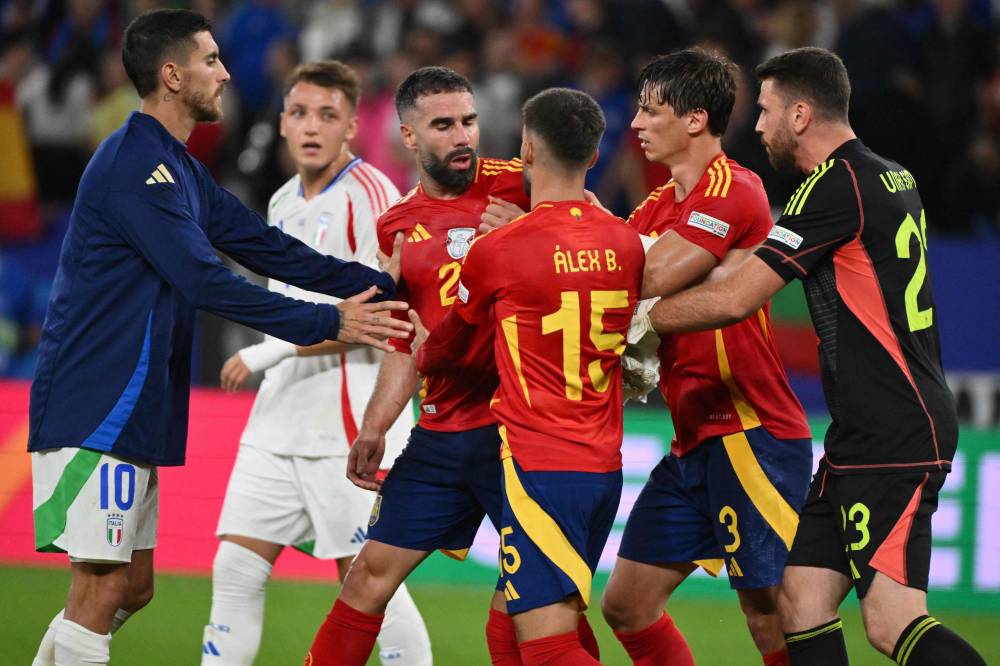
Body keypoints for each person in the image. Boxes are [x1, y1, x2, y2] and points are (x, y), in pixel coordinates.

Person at [28, 11, 410, 666]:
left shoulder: (175, 165)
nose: (226, 72)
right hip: (97, 404)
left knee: (134, 587)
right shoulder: (135, 168)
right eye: (210, 60)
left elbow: (265, 247)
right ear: (172, 76)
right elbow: (205, 280)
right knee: (98, 586)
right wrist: (330, 320)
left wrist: (386, 289)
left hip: (133, 408)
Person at [639, 47, 985, 666]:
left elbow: (739, 298)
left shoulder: (831, 187)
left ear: (801, 114)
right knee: (800, 600)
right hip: (864, 431)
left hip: (894, 429)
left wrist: (641, 317)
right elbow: (753, 266)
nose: (759, 126)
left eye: (768, 111)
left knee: (891, 621)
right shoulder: (889, 175)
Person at [199, 61, 431, 665]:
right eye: (299, 113)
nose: (311, 127)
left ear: (352, 126)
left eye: (327, 115)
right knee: (234, 569)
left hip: (348, 423)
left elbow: (384, 317)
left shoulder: (374, 197)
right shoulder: (280, 201)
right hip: (279, 419)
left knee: (369, 588)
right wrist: (276, 354)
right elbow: (295, 304)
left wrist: (267, 349)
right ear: (280, 123)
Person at [414, 86, 644, 665]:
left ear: (527, 152)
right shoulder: (626, 241)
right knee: (507, 633)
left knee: (547, 650)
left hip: (541, 466)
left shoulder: (500, 249)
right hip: (603, 467)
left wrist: (419, 346)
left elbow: (448, 350)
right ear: (594, 157)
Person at [599, 49, 813, 666]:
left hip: (752, 430)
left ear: (695, 119)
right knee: (627, 604)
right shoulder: (655, 207)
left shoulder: (735, 188)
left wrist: (597, 266)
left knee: (769, 610)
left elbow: (648, 274)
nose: (635, 123)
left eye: (649, 110)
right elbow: (613, 266)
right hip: (692, 437)